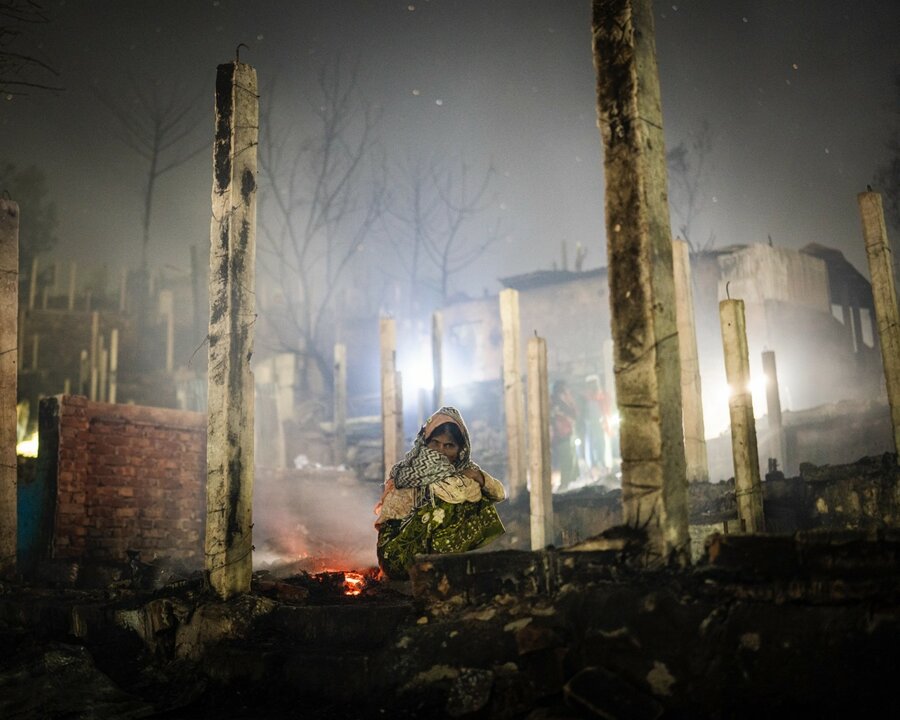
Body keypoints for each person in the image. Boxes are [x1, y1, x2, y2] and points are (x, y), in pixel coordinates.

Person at [374, 406, 506, 580]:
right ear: (425, 441)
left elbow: (499, 494)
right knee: (455, 500)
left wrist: (479, 476)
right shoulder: (408, 474)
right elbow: (388, 525)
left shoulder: (464, 471)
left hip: (431, 556)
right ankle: (436, 565)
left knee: (475, 495)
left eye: (449, 446)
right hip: (398, 558)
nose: (440, 451)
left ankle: (445, 564)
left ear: (460, 450)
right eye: (435, 443)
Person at [550, 379, 579, 491]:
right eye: (566, 388)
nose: (568, 391)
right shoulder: (555, 402)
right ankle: (563, 485)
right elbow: (555, 417)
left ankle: (567, 482)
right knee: (565, 459)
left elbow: (575, 414)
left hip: (568, 433)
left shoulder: (565, 401)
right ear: (561, 390)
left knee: (570, 458)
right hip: (561, 434)